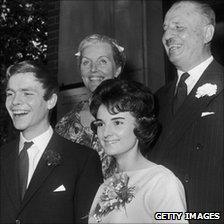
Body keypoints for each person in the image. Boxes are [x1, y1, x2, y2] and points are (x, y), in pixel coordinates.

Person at [0, 60, 103, 224]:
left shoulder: (83, 160)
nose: (14, 102)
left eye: (27, 93)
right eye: (10, 94)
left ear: (51, 101)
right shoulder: (3, 156)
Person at [149, 0, 223, 222]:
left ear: (207, 33)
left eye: (178, 27)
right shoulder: (156, 98)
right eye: (165, 29)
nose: (167, 36)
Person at [88, 79, 188, 223]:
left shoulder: (160, 182)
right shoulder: (106, 186)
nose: (106, 132)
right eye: (101, 124)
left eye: (117, 122)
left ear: (140, 125)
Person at [55, 34, 126, 179]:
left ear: (117, 69)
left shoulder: (131, 114)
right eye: (86, 62)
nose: (93, 69)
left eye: (103, 62)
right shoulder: (66, 122)